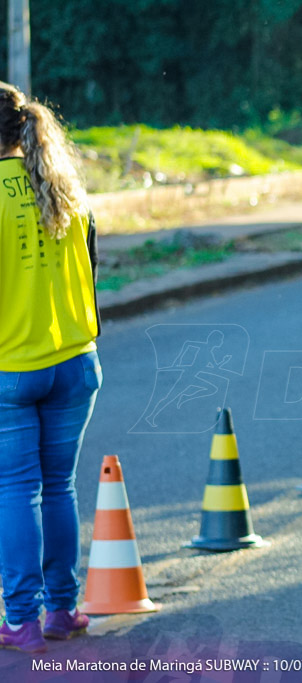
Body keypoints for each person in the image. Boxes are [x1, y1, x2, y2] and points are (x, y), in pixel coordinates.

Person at [0, 82, 100, 653]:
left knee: (16, 489)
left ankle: (21, 620)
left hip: (11, 368)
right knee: (57, 485)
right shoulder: (66, 191)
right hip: (75, 363)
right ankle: (62, 608)